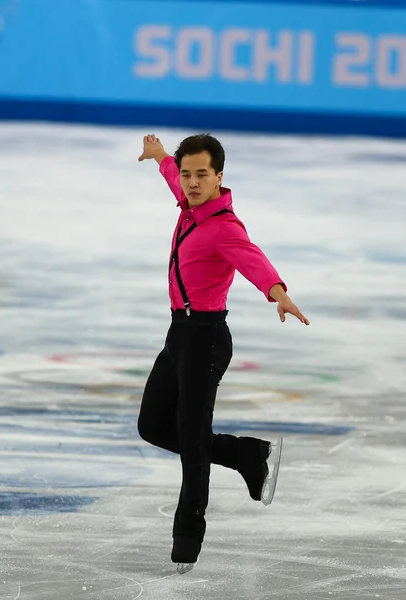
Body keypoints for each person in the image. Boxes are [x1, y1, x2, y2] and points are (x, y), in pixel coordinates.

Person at [137, 133, 309, 573]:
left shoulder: (224, 227)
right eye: (189, 174)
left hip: (206, 337)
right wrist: (160, 157)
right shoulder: (190, 203)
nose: (192, 183)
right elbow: (174, 179)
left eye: (202, 175)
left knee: (193, 443)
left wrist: (277, 292)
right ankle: (250, 455)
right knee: (153, 425)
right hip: (179, 333)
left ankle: (186, 541)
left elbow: (253, 260)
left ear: (219, 177)